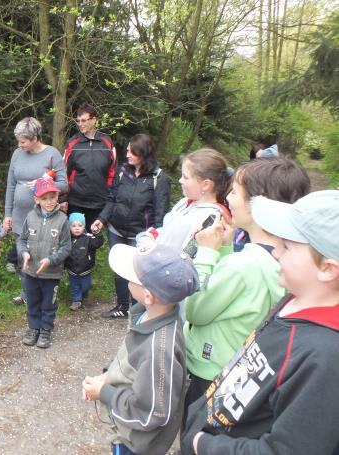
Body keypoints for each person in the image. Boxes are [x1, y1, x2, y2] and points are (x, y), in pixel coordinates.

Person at [181, 190, 339, 455]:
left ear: (327, 270)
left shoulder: (325, 357)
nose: (276, 251)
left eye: (287, 246)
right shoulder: (295, 300)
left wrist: (204, 445)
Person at [183, 157, 311, 410]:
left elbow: (194, 310)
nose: (227, 198)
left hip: (209, 370)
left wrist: (207, 253)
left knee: (196, 434)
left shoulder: (243, 265)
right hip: (241, 372)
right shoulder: (284, 259)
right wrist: (226, 249)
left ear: (255, 205)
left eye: (234, 192)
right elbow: (240, 295)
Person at [82, 243, 200, 455]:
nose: (127, 278)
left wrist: (104, 392)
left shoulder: (159, 349)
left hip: (135, 443)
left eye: (132, 276)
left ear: (148, 296)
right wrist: (107, 375)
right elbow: (130, 359)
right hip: (125, 427)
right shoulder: (148, 315)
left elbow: (151, 414)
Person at [92, 134, 171, 319]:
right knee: (120, 268)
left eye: (130, 151)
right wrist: (102, 219)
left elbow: (161, 213)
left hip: (141, 235)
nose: (126, 154)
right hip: (116, 230)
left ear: (142, 153)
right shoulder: (122, 171)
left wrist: (156, 237)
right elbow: (112, 198)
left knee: (138, 272)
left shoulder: (158, 178)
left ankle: (138, 310)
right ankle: (122, 305)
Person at [4, 117, 68, 305]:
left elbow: (63, 185)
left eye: (23, 141)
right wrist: (8, 214)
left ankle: (45, 295)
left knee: (41, 253)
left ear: (34, 138)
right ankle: (26, 294)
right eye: (18, 141)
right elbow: (10, 185)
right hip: (19, 215)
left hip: (43, 217)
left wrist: (44, 183)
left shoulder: (52, 154)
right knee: (23, 252)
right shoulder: (17, 154)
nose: (19, 144)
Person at [17, 177, 71, 349]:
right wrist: (24, 253)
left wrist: (50, 260)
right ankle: (33, 328)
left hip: (51, 273)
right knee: (32, 300)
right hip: (30, 271)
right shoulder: (30, 217)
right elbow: (21, 240)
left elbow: (66, 247)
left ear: (57, 196)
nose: (49, 202)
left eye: (52, 197)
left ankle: (46, 330)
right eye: (44, 198)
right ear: (36, 199)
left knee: (49, 303)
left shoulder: (63, 220)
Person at [61, 103, 116, 230]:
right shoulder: (72, 143)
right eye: (78, 121)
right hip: (76, 203)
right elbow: (63, 173)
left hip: (99, 203)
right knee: (75, 241)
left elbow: (112, 172)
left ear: (94, 120)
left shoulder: (107, 142)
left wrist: (108, 195)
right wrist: (63, 198)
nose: (80, 124)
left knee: (93, 242)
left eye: (84, 120)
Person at [64, 212, 104, 310]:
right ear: (69, 227)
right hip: (72, 269)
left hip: (86, 269)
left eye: (80, 225)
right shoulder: (67, 239)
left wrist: (97, 233)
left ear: (84, 226)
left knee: (85, 286)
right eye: (73, 226)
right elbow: (63, 252)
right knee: (75, 286)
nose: (77, 228)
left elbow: (98, 243)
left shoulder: (89, 238)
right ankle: (76, 300)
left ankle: (83, 295)